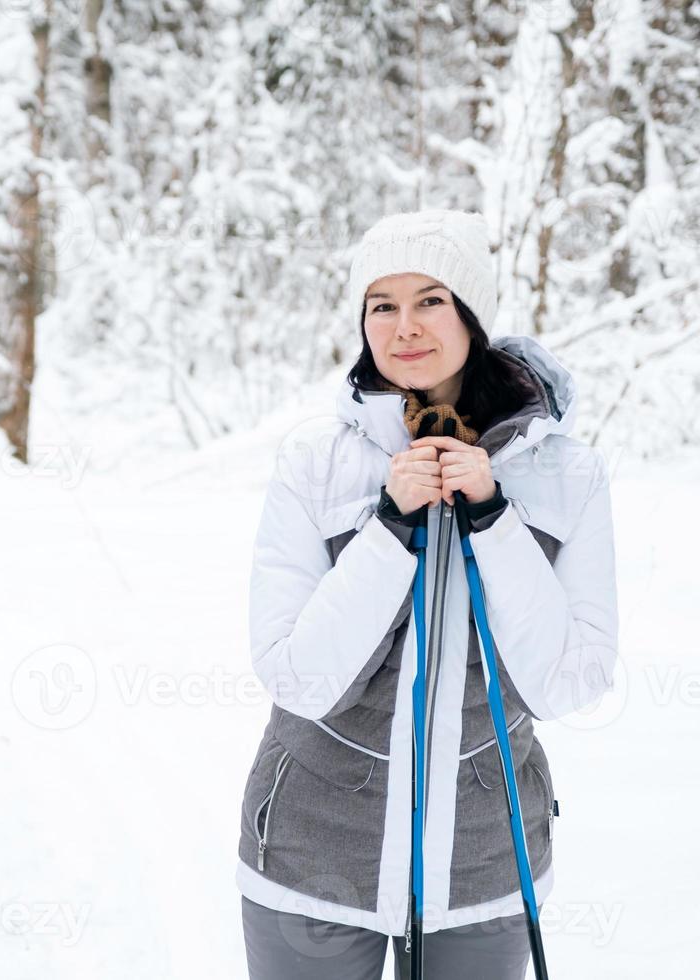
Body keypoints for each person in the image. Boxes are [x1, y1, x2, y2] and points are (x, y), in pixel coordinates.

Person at [235, 208, 619, 979]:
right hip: (313, 857)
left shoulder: (564, 476)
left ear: (471, 313)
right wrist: (389, 527)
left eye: (430, 300)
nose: (404, 326)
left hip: (483, 867)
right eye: (382, 305)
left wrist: (494, 520)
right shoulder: (315, 464)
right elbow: (296, 676)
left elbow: (568, 681)